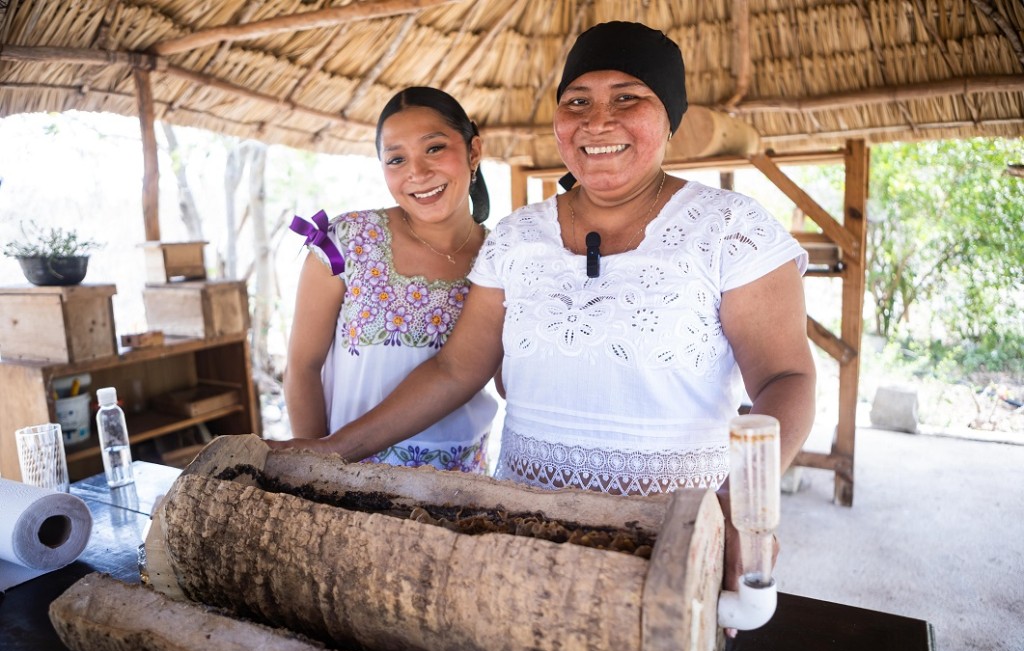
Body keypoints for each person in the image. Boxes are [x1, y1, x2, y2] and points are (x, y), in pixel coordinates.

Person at [271, 22, 815, 588]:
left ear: (669, 118)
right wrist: (331, 451)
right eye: (577, 101)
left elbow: (786, 376)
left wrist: (740, 505)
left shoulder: (731, 227)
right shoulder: (514, 237)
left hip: (673, 539)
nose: (598, 120)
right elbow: (457, 369)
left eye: (628, 97)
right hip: (517, 534)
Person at [281, 86, 497, 473]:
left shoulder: (502, 259)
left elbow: (502, 378)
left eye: (434, 148)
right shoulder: (346, 243)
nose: (417, 172)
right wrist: (315, 471)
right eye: (396, 159)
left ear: (473, 151)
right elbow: (303, 365)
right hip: (351, 474)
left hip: (462, 482)